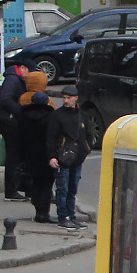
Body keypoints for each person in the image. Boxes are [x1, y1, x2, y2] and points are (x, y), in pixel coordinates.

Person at [47, 84, 91, 229]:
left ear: (76, 98)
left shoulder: (82, 115)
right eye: (64, 98)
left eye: (69, 98)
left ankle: (71, 216)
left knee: (72, 189)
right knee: (63, 189)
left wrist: (86, 149)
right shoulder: (57, 115)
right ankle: (63, 216)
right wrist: (52, 157)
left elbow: (88, 134)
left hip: (77, 158)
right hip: (62, 158)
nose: (66, 101)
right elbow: (51, 138)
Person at [17, 90, 57, 223]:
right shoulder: (51, 116)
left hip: (29, 155)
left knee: (35, 182)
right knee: (47, 185)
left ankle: (37, 208)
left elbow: (19, 136)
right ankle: (43, 213)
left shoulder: (23, 115)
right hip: (46, 155)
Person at [0, 64, 28, 200]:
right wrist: (21, 112)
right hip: (10, 122)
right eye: (29, 71)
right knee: (13, 156)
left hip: (9, 121)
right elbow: (5, 99)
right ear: (22, 68)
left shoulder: (14, 79)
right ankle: (11, 190)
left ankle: (15, 188)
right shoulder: (13, 80)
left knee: (15, 155)